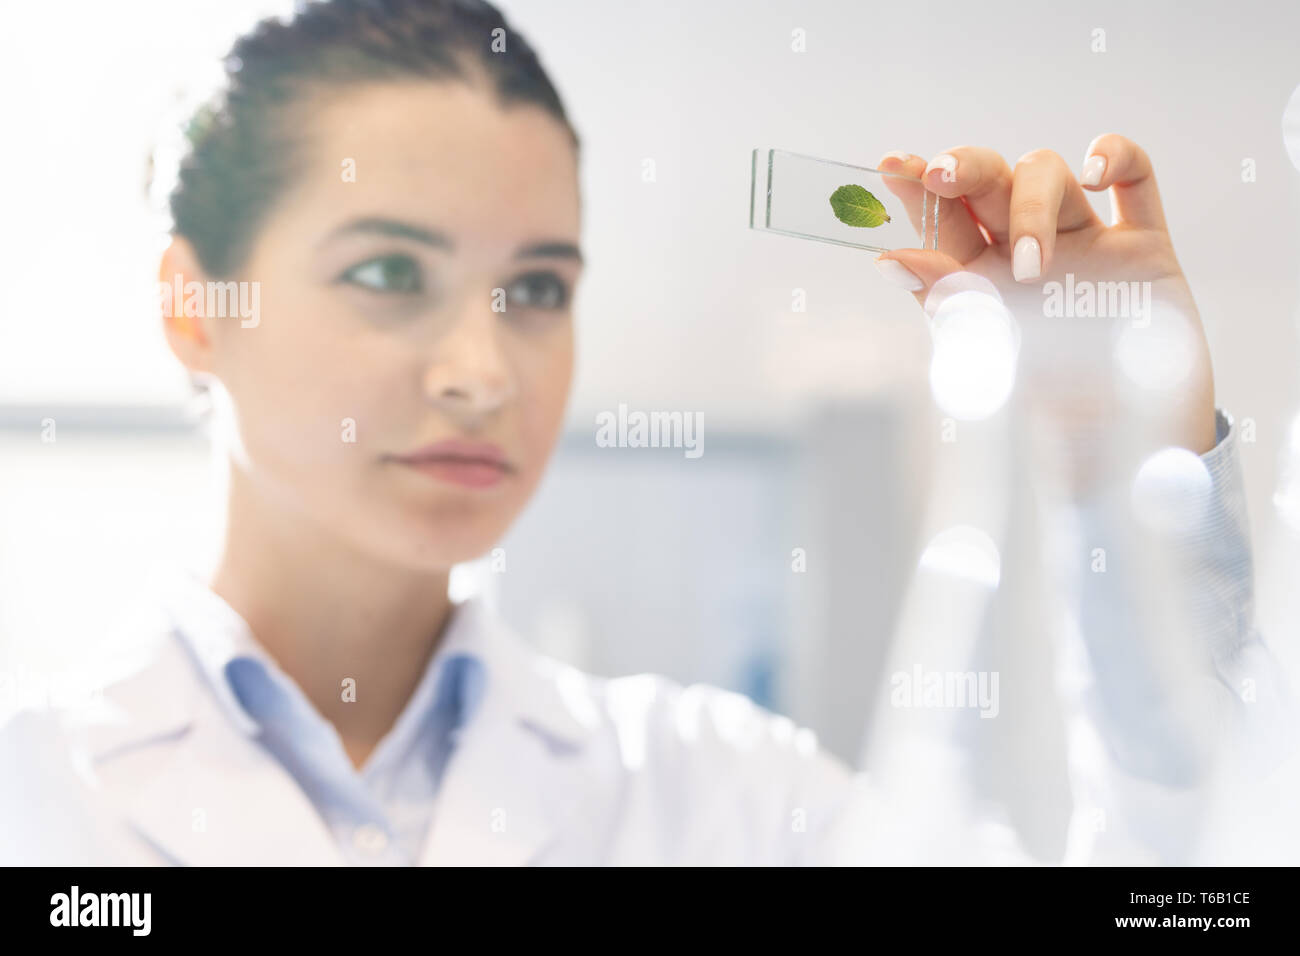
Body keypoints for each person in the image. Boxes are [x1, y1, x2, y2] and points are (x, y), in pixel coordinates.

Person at [0, 0, 1282, 865]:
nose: (480, 369)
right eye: (391, 274)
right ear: (195, 304)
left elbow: (1185, 887)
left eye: (539, 289)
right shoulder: (37, 790)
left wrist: (1125, 476)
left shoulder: (725, 796)